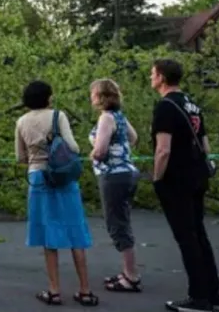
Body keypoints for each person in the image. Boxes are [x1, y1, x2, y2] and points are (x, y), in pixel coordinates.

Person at [15, 80, 98, 307]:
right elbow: (72, 147)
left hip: (38, 178)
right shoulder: (58, 116)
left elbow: (20, 157)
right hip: (62, 177)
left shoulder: (21, 121)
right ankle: (85, 290)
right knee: (75, 230)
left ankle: (54, 290)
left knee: (48, 234)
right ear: (48, 97)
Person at [149, 59, 219, 312]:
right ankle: (213, 294)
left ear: (161, 77)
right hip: (197, 174)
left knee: (186, 238)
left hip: (176, 178)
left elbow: (163, 149)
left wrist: (156, 179)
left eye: (153, 74)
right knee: (199, 235)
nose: (151, 78)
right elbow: (205, 145)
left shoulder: (165, 107)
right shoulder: (192, 105)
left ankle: (198, 297)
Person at [87, 79, 142, 293]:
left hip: (113, 176)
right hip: (128, 172)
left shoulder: (106, 118)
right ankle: (128, 271)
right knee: (123, 220)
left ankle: (131, 275)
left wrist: (92, 153)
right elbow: (134, 138)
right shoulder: (119, 116)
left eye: (93, 94)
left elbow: (100, 150)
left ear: (100, 96)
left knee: (117, 224)